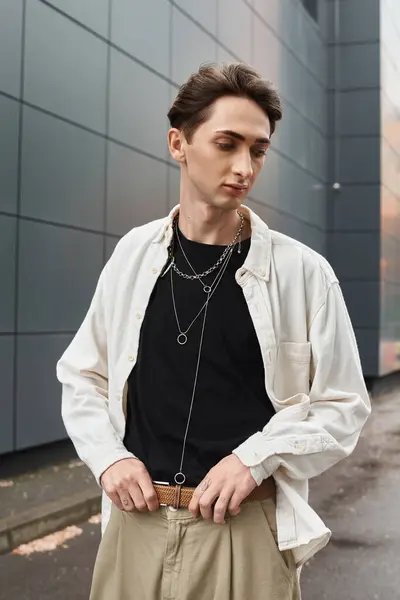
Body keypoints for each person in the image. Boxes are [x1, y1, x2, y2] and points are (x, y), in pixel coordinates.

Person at [57, 63, 371, 599]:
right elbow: (84, 375)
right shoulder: (133, 254)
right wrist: (108, 457)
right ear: (179, 144)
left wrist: (255, 459)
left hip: (244, 533)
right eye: (227, 144)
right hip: (137, 526)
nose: (244, 166)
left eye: (258, 149)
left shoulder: (303, 273)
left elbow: (344, 405)